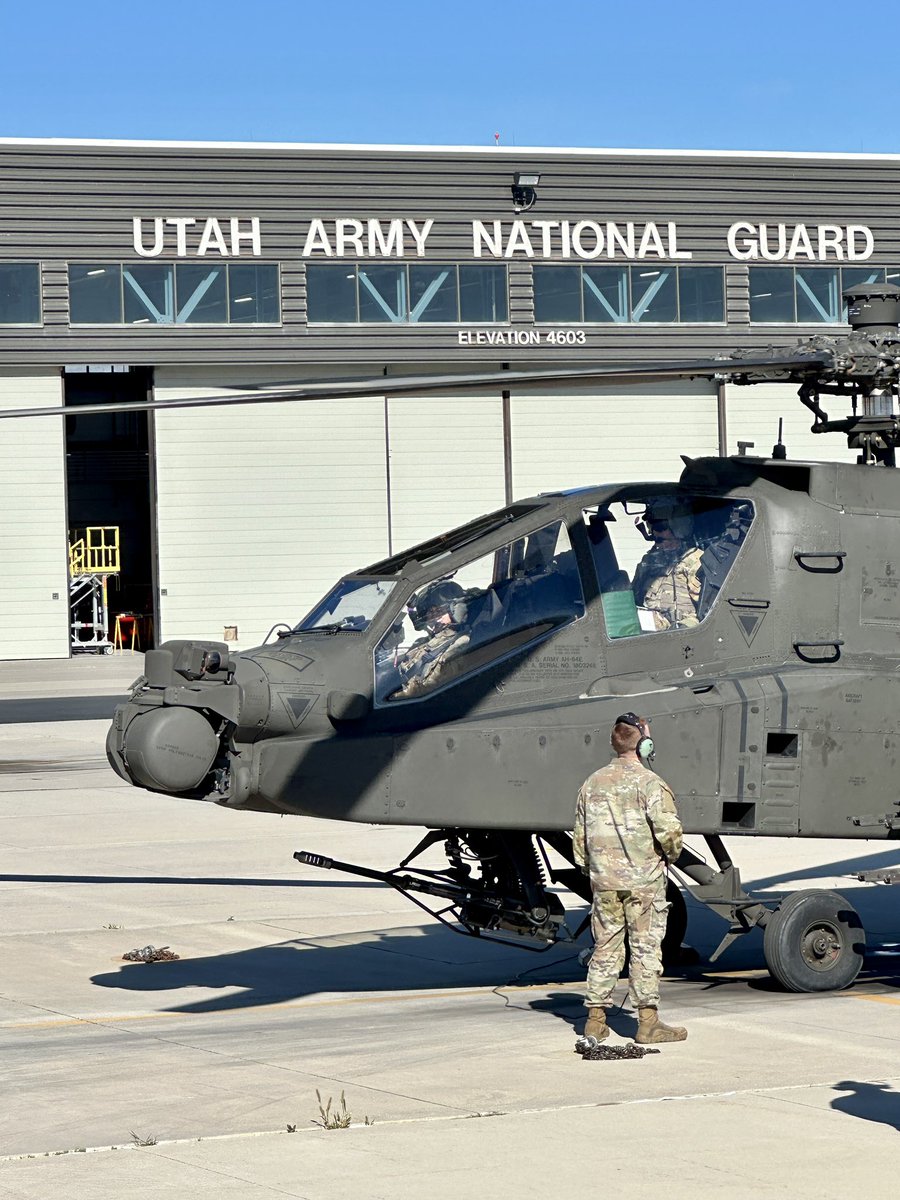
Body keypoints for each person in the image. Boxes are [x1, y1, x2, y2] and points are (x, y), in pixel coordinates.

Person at [573, 712, 687, 1044]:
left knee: (605, 947)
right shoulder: (651, 783)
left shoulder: (591, 783)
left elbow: (580, 841)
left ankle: (595, 1020)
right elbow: (669, 832)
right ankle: (648, 1023)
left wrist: (594, 872)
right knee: (645, 948)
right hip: (643, 884)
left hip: (605, 882)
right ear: (644, 744)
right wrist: (670, 855)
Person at [632, 499, 703, 630]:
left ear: (679, 527)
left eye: (660, 527)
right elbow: (633, 600)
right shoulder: (649, 560)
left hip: (682, 633)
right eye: (653, 526)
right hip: (649, 630)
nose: (655, 532)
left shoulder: (695, 561)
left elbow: (708, 611)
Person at [394, 580, 471, 698]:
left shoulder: (460, 644)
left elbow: (430, 689)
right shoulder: (423, 642)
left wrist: (396, 696)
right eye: (429, 612)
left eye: (439, 611)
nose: (433, 617)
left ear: (454, 611)